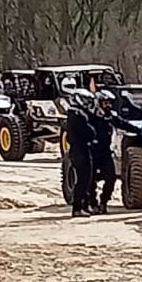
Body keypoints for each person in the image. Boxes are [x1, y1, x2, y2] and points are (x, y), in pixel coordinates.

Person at [64, 89, 97, 217]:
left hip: (79, 149)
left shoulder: (74, 113)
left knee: (86, 180)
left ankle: (83, 206)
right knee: (83, 180)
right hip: (80, 150)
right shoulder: (77, 114)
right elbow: (89, 131)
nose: (87, 103)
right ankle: (77, 208)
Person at [87, 91, 119, 214]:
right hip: (93, 152)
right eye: (105, 103)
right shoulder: (91, 116)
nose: (108, 105)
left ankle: (104, 201)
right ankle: (92, 203)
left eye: (110, 103)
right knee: (91, 179)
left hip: (106, 152)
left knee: (111, 177)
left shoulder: (111, 116)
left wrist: (140, 132)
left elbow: (122, 124)